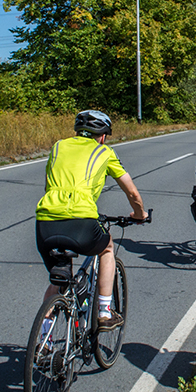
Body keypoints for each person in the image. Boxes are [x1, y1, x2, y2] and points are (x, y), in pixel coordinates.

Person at [35, 110, 147, 332]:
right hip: (82, 221)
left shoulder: (58, 146)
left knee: (59, 281)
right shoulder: (104, 152)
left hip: (45, 222)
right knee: (106, 249)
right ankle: (105, 312)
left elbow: (49, 183)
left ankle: (43, 341)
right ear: (103, 136)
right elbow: (132, 193)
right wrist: (139, 214)